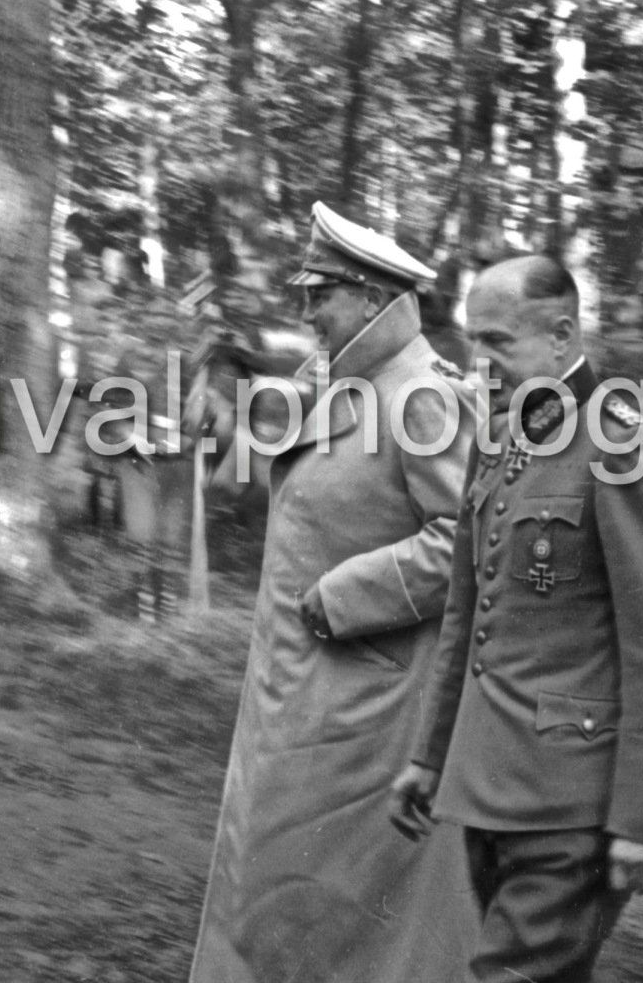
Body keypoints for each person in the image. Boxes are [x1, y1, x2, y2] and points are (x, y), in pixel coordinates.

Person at [389, 254, 643, 983]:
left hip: (574, 803)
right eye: (474, 342)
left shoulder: (618, 443)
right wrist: (430, 754)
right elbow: (468, 615)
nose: (480, 363)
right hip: (488, 786)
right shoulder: (502, 436)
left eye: (499, 343)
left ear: (563, 336)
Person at [187, 201, 480, 983]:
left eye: (321, 293)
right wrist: (225, 440)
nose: (306, 310)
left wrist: (344, 595)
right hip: (305, 689)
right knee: (281, 887)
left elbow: (467, 543)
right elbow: (304, 488)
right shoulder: (345, 383)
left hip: (365, 703)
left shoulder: (421, 396)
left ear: (372, 299)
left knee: (333, 906)